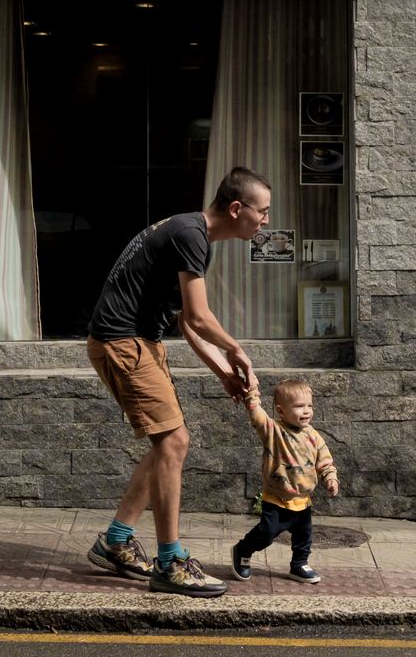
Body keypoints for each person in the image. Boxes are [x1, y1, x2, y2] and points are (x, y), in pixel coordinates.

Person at [85, 166, 271, 598]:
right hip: (122, 340)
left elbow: (186, 321)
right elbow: (203, 319)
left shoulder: (193, 236)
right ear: (237, 208)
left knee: (168, 442)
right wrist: (237, 350)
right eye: (262, 212)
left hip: (139, 341)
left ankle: (116, 540)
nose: (265, 221)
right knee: (173, 442)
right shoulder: (191, 235)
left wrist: (223, 372)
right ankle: (170, 563)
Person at [230, 378, 339, 585]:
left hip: (303, 499)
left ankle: (299, 564)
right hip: (276, 498)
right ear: (281, 412)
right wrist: (251, 391)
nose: (306, 411)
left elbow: (324, 460)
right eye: (299, 406)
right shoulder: (274, 431)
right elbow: (257, 414)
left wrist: (330, 477)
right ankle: (243, 550)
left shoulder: (314, 436)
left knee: (304, 536)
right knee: (267, 533)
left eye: (309, 406)